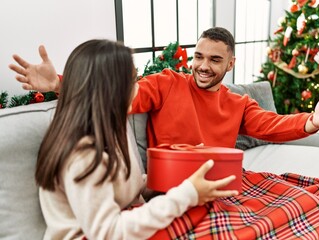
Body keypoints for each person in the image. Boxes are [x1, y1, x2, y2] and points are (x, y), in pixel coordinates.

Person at [9, 27, 319, 239]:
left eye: (215, 60)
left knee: (310, 198)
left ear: (231, 64)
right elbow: (111, 92)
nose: (203, 66)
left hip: (206, 184)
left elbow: (273, 125)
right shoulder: (164, 84)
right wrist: (59, 84)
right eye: (198, 57)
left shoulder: (237, 102)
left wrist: (314, 121)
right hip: (175, 188)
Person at [23, 39, 239, 240]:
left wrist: (181, 173)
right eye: (133, 80)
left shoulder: (114, 125)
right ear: (110, 90)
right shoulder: (82, 155)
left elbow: (127, 185)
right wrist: (186, 194)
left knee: (221, 214)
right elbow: (107, 232)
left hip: (128, 218)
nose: (138, 87)